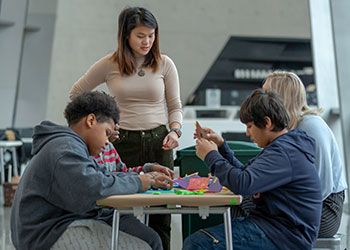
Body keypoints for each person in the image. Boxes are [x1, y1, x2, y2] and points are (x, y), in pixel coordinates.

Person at [69, 7, 182, 249]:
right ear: (126, 35)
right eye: (140, 36)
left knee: (161, 213)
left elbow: (175, 105)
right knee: (118, 207)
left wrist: (175, 130)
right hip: (121, 143)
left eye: (151, 35)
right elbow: (76, 94)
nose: (147, 41)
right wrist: (103, 125)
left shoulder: (165, 64)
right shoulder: (109, 63)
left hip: (159, 141)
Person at [11, 91, 173, 250]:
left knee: (150, 238)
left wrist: (145, 176)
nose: (107, 143)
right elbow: (95, 186)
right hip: (47, 233)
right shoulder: (65, 149)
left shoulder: (73, 146)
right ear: (91, 120)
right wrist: (139, 181)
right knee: (143, 246)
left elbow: (106, 176)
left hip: (65, 221)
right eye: (107, 133)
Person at [183, 89, 322, 250]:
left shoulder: (284, 153)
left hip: (284, 237)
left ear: (267, 123)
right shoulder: (284, 148)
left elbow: (243, 183)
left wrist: (211, 155)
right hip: (275, 229)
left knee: (198, 243)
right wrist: (221, 147)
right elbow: (246, 175)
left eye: (250, 126)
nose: (247, 133)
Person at [262, 71, 348, 238]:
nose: (260, 99)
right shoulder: (287, 127)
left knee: (252, 212)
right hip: (304, 204)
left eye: (265, 94)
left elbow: (322, 186)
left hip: (323, 210)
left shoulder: (311, 126)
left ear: (279, 97)